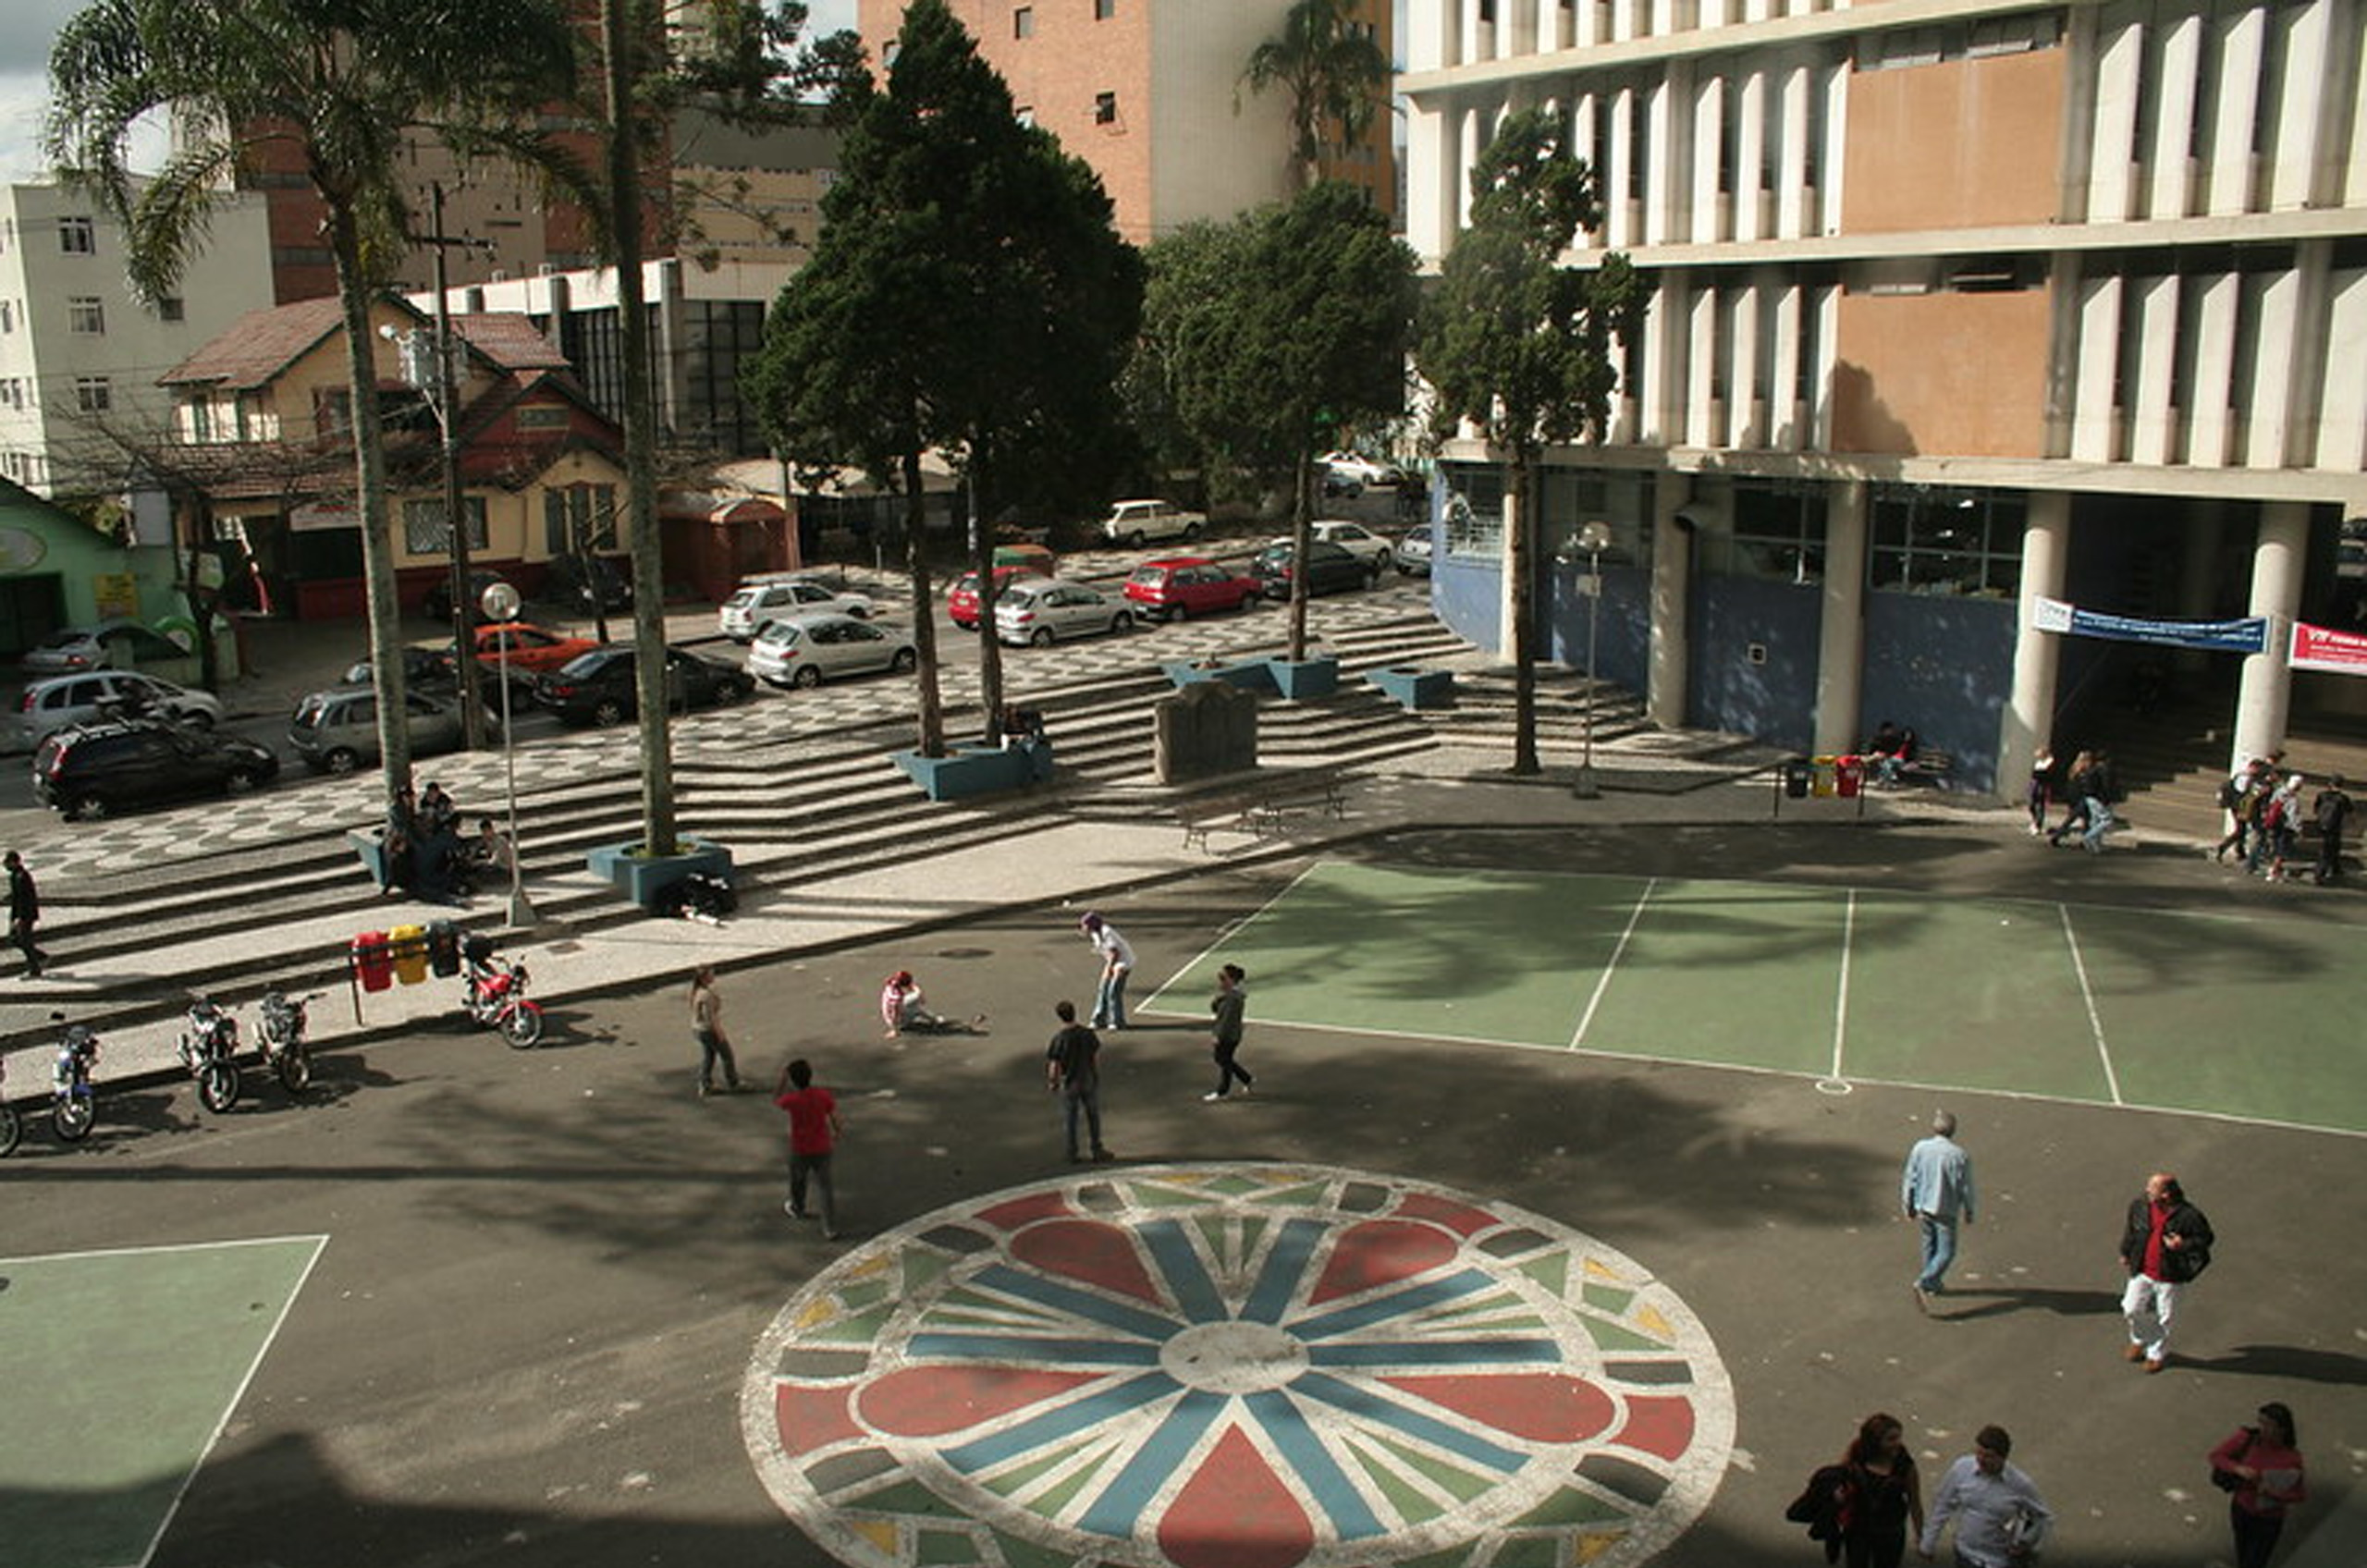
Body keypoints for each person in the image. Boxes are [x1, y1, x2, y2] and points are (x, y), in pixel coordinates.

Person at [2119, 1170, 2214, 1373]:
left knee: (2165, 1316)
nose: (2147, 1190)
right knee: (2131, 1308)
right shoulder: (2140, 1206)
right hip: (2143, 1269)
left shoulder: (2189, 1216)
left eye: (2152, 1187)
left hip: (2170, 1275)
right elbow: (2131, 1230)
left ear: (2166, 1194)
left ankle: (2156, 1353)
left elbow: (2205, 1239)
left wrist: (2184, 1244)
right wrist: (2126, 1252)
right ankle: (2140, 1338)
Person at [1919, 1425, 2050, 1566]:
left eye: (1988, 1456)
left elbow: (2043, 1517)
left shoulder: (2020, 1484)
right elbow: (1942, 1505)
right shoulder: (1962, 1468)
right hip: (1964, 1555)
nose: (1981, 1459)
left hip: (1999, 1560)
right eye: (1978, 1453)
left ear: (2003, 1458)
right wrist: (1928, 1544)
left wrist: (2026, 1541)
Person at [2209, 1402, 2306, 1568]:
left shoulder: (2291, 1459)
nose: (2262, 1428)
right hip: (2241, 1509)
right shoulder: (2248, 1439)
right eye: (2260, 1422)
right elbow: (2216, 1456)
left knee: (2255, 1562)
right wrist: (2238, 1468)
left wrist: (2274, 1493)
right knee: (2243, 1553)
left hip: (2269, 1519)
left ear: (2282, 1429)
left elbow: (2299, 1494)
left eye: (2268, 1424)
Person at [1901, 1109, 1975, 1311]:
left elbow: (1910, 1177)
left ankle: (1933, 1284)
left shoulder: (1920, 1148)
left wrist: (1908, 1204)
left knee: (1929, 1244)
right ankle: (1925, 1281)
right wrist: (1969, 1209)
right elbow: (1965, 1186)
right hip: (1945, 1208)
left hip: (1924, 1205)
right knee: (1947, 1251)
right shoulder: (1959, 1155)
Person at [1839, 1412, 1925, 1568]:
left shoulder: (1905, 1466)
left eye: (1898, 1437)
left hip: (1891, 1529)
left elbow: (1914, 1501)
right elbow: (1840, 1481)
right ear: (1875, 1442)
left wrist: (1921, 1534)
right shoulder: (1857, 1459)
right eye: (1891, 1439)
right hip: (1859, 1527)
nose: (1897, 1443)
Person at [774, 1058, 843, 1240]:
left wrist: (782, 1080)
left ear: (793, 1080)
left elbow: (777, 1099)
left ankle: (798, 1207)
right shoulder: (822, 1095)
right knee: (825, 1187)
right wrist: (837, 1132)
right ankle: (830, 1227)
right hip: (822, 1146)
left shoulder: (792, 1100)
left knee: (798, 1180)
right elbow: (835, 1116)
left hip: (801, 1148)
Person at [1045, 999, 1112, 1164]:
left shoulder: (1059, 1039)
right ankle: (1097, 1149)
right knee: (1093, 1116)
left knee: (1071, 1119)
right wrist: (1095, 1074)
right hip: (1087, 1078)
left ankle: (1072, 1153)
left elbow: (1055, 1064)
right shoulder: (1087, 1034)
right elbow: (1095, 1056)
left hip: (1070, 1082)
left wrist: (1053, 1082)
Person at [880, 970, 984, 1037]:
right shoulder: (896, 998)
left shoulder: (892, 983)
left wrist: (916, 993)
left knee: (916, 999)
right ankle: (935, 1020)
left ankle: (929, 1014)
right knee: (917, 1009)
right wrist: (895, 1030)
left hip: (899, 1007)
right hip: (898, 1021)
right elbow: (895, 1014)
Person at [1204, 963, 1254, 1102]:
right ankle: (1245, 1080)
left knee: (1221, 1059)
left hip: (1229, 1035)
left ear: (1231, 980)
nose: (1220, 981)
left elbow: (1227, 1019)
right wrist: (1219, 996)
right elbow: (1215, 1008)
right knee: (1226, 1060)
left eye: (1222, 978)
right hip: (1233, 1034)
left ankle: (1224, 1090)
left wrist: (1218, 1036)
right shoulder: (1228, 994)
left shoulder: (1233, 999)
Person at [690, 965, 742, 1096]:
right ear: (704, 978)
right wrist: (720, 1033)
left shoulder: (697, 991)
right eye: (711, 974)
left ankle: (705, 1084)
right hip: (708, 1030)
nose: (713, 976)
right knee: (727, 1056)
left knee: (709, 1056)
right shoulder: (706, 995)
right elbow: (711, 1017)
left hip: (698, 1029)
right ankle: (733, 1082)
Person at [1079, 912, 1134, 1030]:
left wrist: (1110, 969)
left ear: (1092, 924)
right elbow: (1106, 950)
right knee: (1103, 988)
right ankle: (1098, 1020)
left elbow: (1115, 953)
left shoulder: (1107, 932)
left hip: (1124, 962)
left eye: (1085, 925)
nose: (1083, 928)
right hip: (1112, 960)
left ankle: (1117, 1022)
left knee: (1113, 991)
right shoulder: (1095, 934)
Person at [2214, 757, 2271, 864]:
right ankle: (2225, 848)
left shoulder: (2241, 776)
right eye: (2258, 768)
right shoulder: (2247, 778)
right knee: (2247, 830)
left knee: (2241, 830)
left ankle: (2239, 851)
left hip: (2239, 806)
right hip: (2244, 807)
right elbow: (2251, 794)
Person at [6, 850, 47, 979]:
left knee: (24, 941)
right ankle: (41, 957)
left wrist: (21, 918)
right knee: (16, 939)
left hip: (26, 915)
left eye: (8, 862)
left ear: (14, 862)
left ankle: (35, 969)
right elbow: (16, 898)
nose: (5, 865)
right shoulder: (14, 876)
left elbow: (26, 899)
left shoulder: (22, 876)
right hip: (20, 915)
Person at [2311, 775, 2352, 885]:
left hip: (2321, 825)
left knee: (2331, 847)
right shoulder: (2343, 798)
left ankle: (2335, 867)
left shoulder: (2322, 795)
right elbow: (2349, 810)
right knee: (2329, 849)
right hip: (2334, 827)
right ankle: (2320, 873)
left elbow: (2316, 808)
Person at [2024, 750, 2054, 837]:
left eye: (2038, 754)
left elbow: (2046, 774)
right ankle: (2034, 820)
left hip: (2042, 785)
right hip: (2035, 784)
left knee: (2040, 805)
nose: (2037, 756)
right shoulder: (2037, 763)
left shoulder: (2049, 762)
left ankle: (2037, 825)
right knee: (2031, 804)